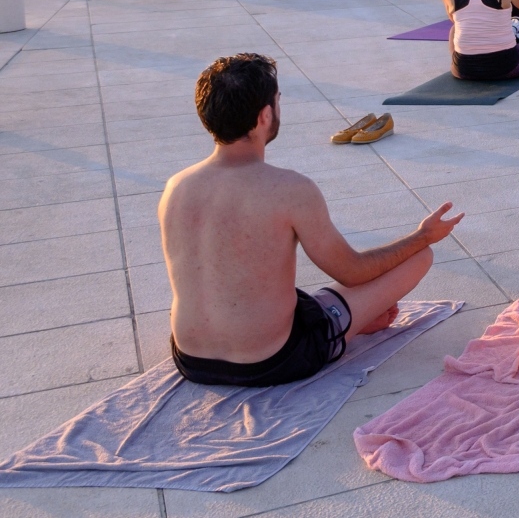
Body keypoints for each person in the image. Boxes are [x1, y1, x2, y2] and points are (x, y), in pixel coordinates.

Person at [161, 54, 460, 386]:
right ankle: (349, 322)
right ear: (265, 115)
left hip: (191, 359)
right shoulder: (290, 189)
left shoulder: (176, 186)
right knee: (418, 257)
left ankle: (347, 316)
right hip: (273, 361)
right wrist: (423, 235)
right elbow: (352, 272)